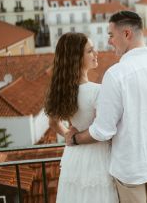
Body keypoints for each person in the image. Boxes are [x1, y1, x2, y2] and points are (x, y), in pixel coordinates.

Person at [65, 11, 147, 203]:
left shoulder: (116, 74)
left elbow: (103, 131)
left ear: (126, 34)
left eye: (111, 35)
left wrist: (75, 139)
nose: (110, 41)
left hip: (131, 168)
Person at [45, 32, 118, 203]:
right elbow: (105, 130)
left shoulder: (61, 90)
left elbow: (53, 122)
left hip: (74, 158)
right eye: (90, 51)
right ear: (77, 58)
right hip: (98, 158)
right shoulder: (97, 91)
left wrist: (68, 136)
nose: (96, 53)